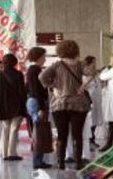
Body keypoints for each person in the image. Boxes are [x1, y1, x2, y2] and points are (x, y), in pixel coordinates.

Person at [39, 40, 91, 170]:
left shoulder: (56, 65)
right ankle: (78, 162)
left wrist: (53, 87)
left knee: (62, 134)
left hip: (59, 104)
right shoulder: (80, 64)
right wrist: (83, 86)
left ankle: (60, 163)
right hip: (78, 104)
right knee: (77, 134)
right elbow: (91, 72)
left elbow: (42, 77)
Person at [0, 54, 27, 161]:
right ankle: (12, 153)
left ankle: (4, 154)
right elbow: (22, 91)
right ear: (15, 63)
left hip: (3, 106)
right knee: (14, 129)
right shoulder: (18, 74)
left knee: (5, 129)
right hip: (16, 105)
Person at [26, 47, 52, 169]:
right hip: (37, 102)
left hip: (33, 101)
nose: (45, 59)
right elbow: (36, 90)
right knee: (39, 132)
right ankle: (37, 161)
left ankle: (39, 159)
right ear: (39, 57)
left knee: (38, 130)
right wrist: (41, 107)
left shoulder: (32, 70)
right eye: (43, 56)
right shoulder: (35, 70)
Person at [82, 56, 103, 150]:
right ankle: (89, 141)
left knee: (95, 120)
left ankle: (93, 140)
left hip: (97, 98)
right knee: (90, 121)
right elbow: (84, 85)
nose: (95, 64)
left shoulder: (95, 73)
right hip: (90, 99)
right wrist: (92, 76)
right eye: (93, 62)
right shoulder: (85, 73)